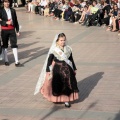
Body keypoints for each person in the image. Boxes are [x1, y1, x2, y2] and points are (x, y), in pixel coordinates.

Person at [34, 33, 79, 108]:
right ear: (57, 41)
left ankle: (66, 100)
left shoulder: (68, 48)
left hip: (67, 70)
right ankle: (56, 98)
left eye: (64, 40)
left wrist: (74, 68)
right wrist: (48, 70)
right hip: (57, 69)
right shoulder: (54, 50)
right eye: (61, 40)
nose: (63, 42)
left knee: (67, 84)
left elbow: (71, 59)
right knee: (58, 84)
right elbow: (49, 60)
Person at [0, 0, 21, 66]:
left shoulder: (13, 10)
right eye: (6, 2)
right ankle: (6, 60)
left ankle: (17, 61)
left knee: (14, 45)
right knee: (5, 45)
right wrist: (6, 22)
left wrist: (17, 30)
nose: (7, 3)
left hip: (12, 30)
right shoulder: (1, 11)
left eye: (8, 2)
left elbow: (16, 21)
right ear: (3, 3)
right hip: (4, 30)